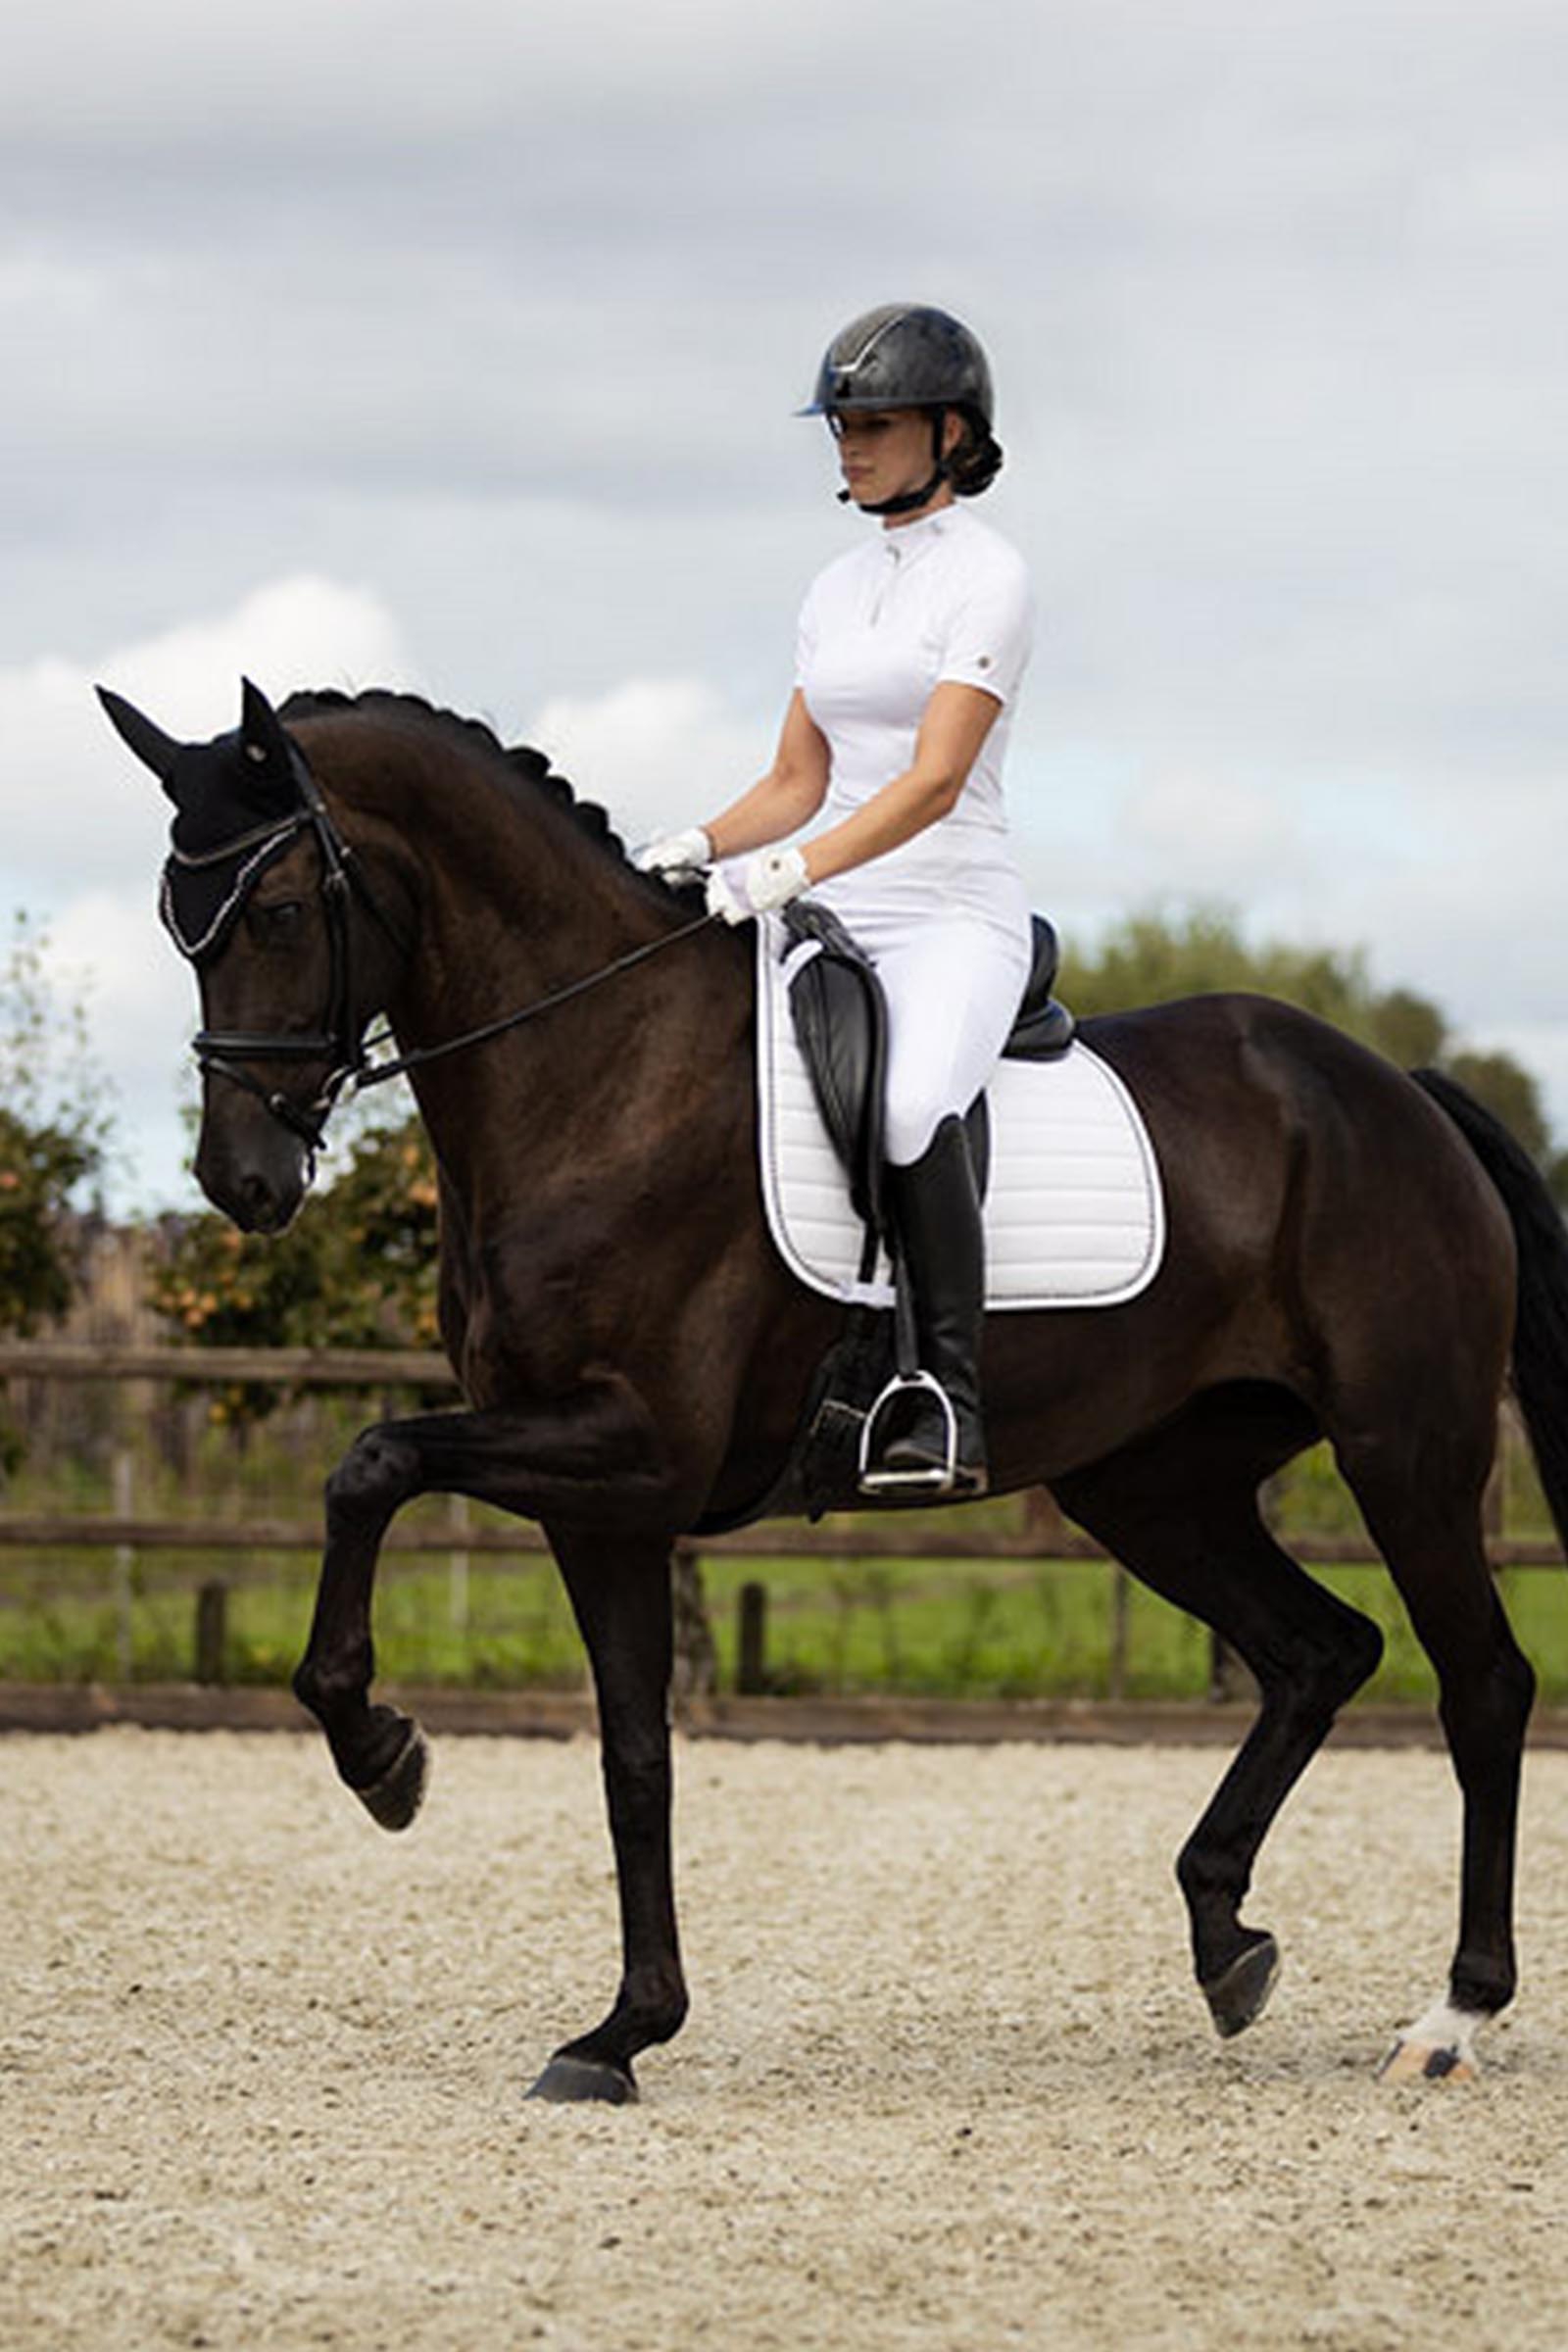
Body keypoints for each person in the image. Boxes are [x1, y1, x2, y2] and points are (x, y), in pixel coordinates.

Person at [638, 303, 1035, 1496]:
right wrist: (700, 843)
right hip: (831, 908)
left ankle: (942, 1400)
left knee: (912, 1110)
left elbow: (932, 781)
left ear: (949, 431)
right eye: (841, 425)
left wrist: (797, 866)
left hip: (951, 910)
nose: (849, 445)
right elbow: (796, 781)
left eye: (874, 423)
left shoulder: (991, 578)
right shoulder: (831, 587)